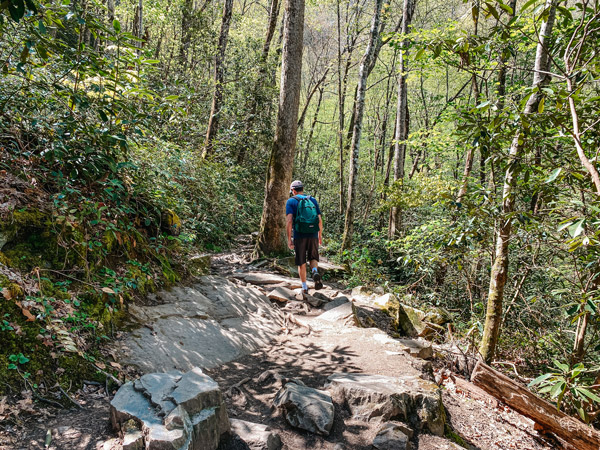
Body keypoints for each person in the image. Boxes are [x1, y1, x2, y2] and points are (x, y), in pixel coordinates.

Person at [286, 180, 323, 294]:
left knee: (301, 261)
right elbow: (319, 220)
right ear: (302, 189)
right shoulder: (312, 200)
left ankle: (304, 287)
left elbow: (289, 221)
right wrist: (320, 235)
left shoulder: (291, 201)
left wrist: (289, 239)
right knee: (313, 257)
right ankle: (315, 271)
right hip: (313, 234)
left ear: (293, 190)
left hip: (299, 235)